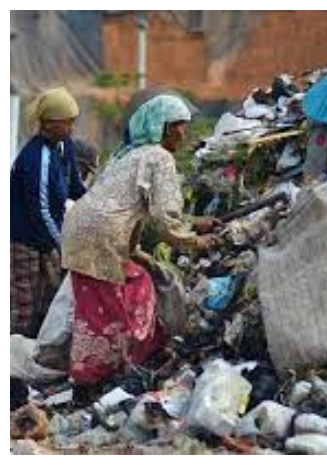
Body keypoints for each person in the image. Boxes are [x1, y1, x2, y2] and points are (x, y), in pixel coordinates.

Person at [61, 94, 219, 395]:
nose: (183, 134)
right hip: (100, 238)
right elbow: (164, 217)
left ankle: (136, 356)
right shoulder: (159, 157)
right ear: (161, 127)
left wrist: (193, 222)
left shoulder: (128, 154)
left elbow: (131, 206)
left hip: (81, 232)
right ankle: (92, 381)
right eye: (178, 127)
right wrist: (195, 241)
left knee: (136, 284)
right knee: (104, 314)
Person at [10, 87, 86, 337]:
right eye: (67, 123)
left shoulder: (65, 147)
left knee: (48, 301)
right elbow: (40, 211)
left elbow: (76, 188)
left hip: (46, 236)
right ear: (50, 124)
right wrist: (61, 245)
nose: (72, 128)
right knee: (23, 307)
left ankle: (32, 356)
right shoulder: (36, 158)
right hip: (23, 240)